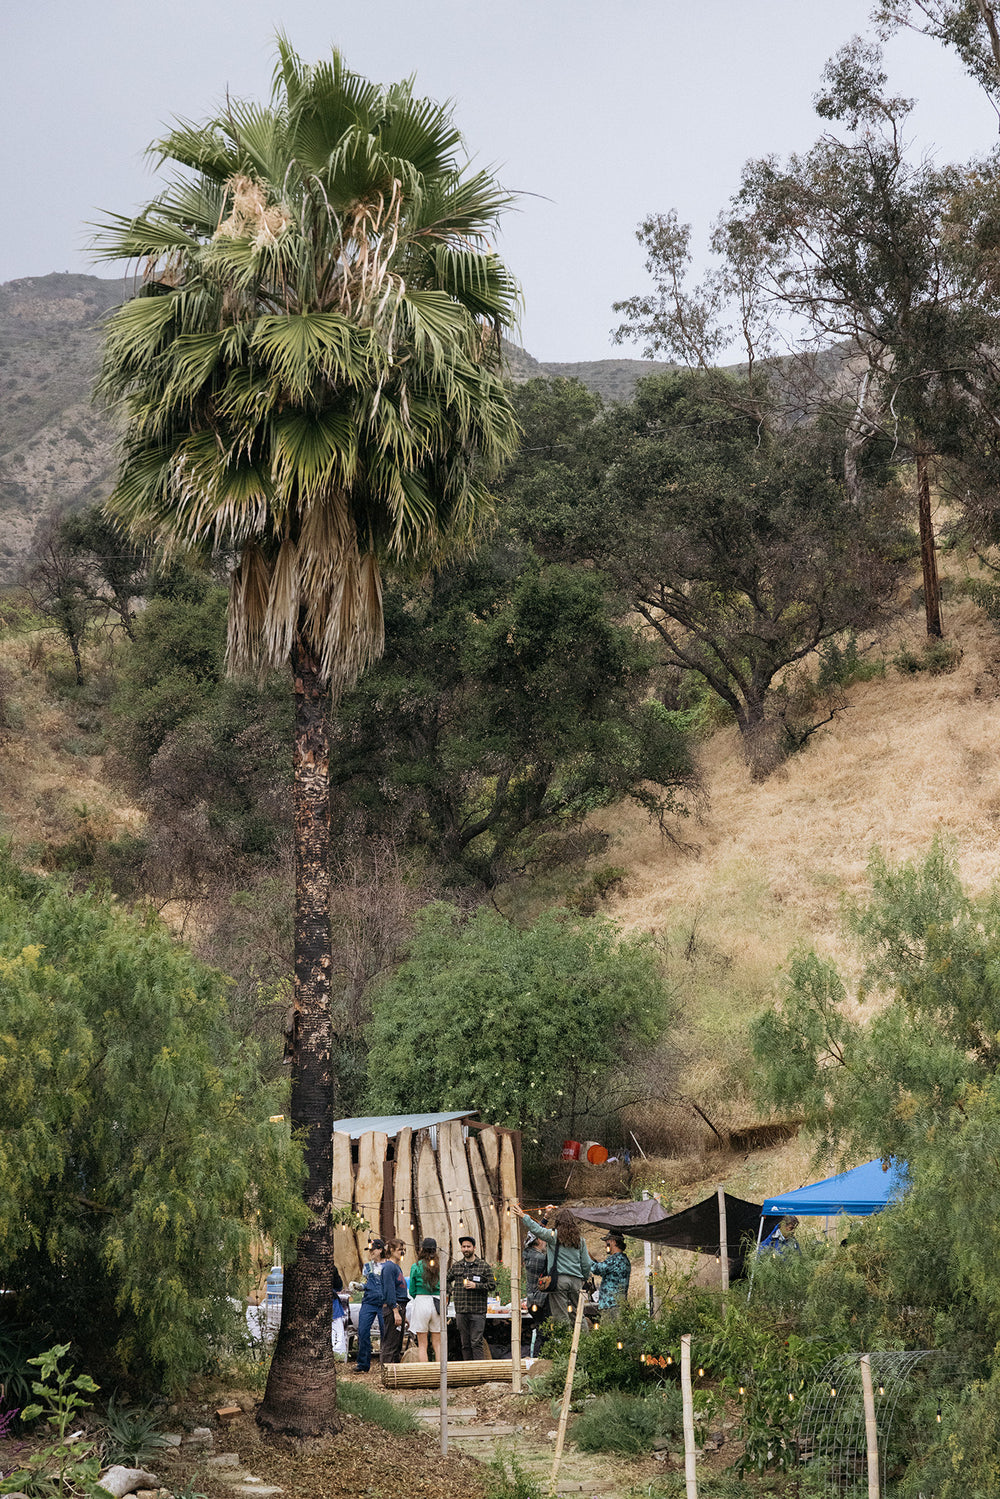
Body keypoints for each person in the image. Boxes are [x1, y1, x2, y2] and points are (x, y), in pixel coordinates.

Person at [513, 1202, 593, 1325]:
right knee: (578, 1314)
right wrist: (584, 1277)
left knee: (561, 1315)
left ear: (558, 1222)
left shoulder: (553, 1236)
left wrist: (523, 1216)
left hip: (559, 1280)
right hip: (576, 1281)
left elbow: (537, 1230)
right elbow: (586, 1263)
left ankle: (564, 1337)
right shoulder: (580, 1240)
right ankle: (582, 1336)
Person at [446, 1234, 496, 1361]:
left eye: (468, 1246)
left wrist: (476, 1286)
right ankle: (468, 1369)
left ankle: (478, 1369)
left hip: (477, 1311)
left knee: (476, 1342)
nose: (466, 1249)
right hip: (461, 1310)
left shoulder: (483, 1266)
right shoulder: (457, 1266)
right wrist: (451, 1290)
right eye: (463, 1247)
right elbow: (445, 1280)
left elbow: (492, 1285)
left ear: (474, 1248)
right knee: (465, 1344)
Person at [353, 1238, 388, 1373]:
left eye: (373, 1250)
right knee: (362, 1331)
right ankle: (363, 1364)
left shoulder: (389, 1266)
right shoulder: (367, 1267)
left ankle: (387, 1363)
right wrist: (358, 1286)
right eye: (370, 1250)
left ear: (380, 1250)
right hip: (369, 1302)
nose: (371, 1253)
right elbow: (364, 1283)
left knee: (386, 1333)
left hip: (384, 1303)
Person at [408, 1237, 442, 1361]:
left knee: (422, 1344)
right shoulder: (439, 1266)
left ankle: (426, 1370)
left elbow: (412, 1290)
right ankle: (440, 1370)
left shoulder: (416, 1266)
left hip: (422, 1301)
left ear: (422, 1249)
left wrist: (417, 1295)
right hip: (437, 1302)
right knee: (437, 1343)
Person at [379, 1239, 409, 1366]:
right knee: (390, 1344)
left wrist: (403, 1315)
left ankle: (395, 1372)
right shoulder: (389, 1267)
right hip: (393, 1309)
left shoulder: (397, 1267)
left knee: (397, 1344)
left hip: (400, 1308)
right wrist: (395, 1311)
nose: (402, 1252)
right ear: (391, 1250)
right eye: (400, 1249)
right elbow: (389, 1290)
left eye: (404, 1250)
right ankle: (387, 1371)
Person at [589, 1231, 631, 1322]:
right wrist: (593, 1259)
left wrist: (586, 1258)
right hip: (618, 1304)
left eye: (607, 1242)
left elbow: (597, 1269)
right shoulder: (622, 1259)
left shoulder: (615, 1259)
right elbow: (603, 1270)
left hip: (612, 1306)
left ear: (613, 1242)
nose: (605, 1246)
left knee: (610, 1329)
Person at [331, 1262, 348, 1357]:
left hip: (333, 1305)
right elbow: (339, 1287)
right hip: (333, 1304)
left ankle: (337, 1354)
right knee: (337, 1330)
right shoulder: (331, 1268)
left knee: (337, 1330)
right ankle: (338, 1354)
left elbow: (339, 1287)